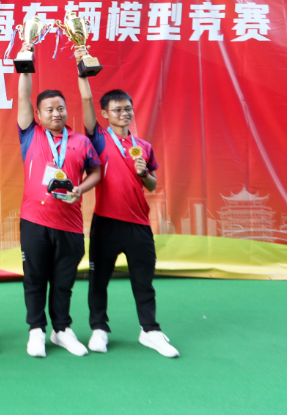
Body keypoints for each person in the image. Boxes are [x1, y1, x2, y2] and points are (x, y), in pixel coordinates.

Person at [75, 46, 179, 358]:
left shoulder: (143, 146)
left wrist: (144, 172)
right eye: (118, 109)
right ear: (105, 114)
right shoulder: (97, 139)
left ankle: (150, 331)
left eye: (128, 109)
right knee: (98, 281)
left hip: (139, 226)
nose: (124, 113)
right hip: (106, 223)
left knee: (144, 282)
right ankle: (99, 329)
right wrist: (82, 71)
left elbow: (153, 184)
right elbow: (86, 102)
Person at [16, 43, 102, 358]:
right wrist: (27, 53)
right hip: (34, 222)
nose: (56, 113)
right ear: (38, 114)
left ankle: (61, 330)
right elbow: (23, 96)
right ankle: (36, 330)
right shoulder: (30, 134)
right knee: (35, 279)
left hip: (70, 224)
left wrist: (80, 189)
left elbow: (97, 172)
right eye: (49, 109)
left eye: (61, 108)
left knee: (64, 281)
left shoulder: (80, 141)